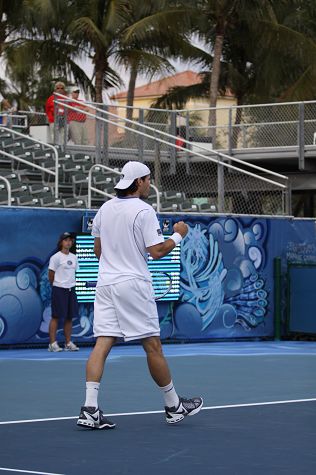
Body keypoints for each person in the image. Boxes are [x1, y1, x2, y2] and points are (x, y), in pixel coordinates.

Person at [77, 161, 203, 430]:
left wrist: (116, 260)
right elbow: (156, 251)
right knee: (152, 346)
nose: (149, 184)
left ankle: (89, 409)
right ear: (138, 182)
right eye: (147, 179)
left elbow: (98, 251)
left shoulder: (105, 208)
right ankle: (173, 406)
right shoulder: (144, 211)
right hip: (133, 284)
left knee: (103, 343)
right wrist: (178, 236)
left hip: (106, 284)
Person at [48, 232, 79, 352]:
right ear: (61, 242)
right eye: (66, 240)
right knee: (56, 316)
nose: (69, 242)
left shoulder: (74, 257)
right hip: (59, 289)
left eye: (70, 240)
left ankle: (67, 343)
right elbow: (51, 274)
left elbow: (73, 273)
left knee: (69, 317)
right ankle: (52, 344)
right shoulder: (55, 257)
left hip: (71, 289)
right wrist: (56, 285)